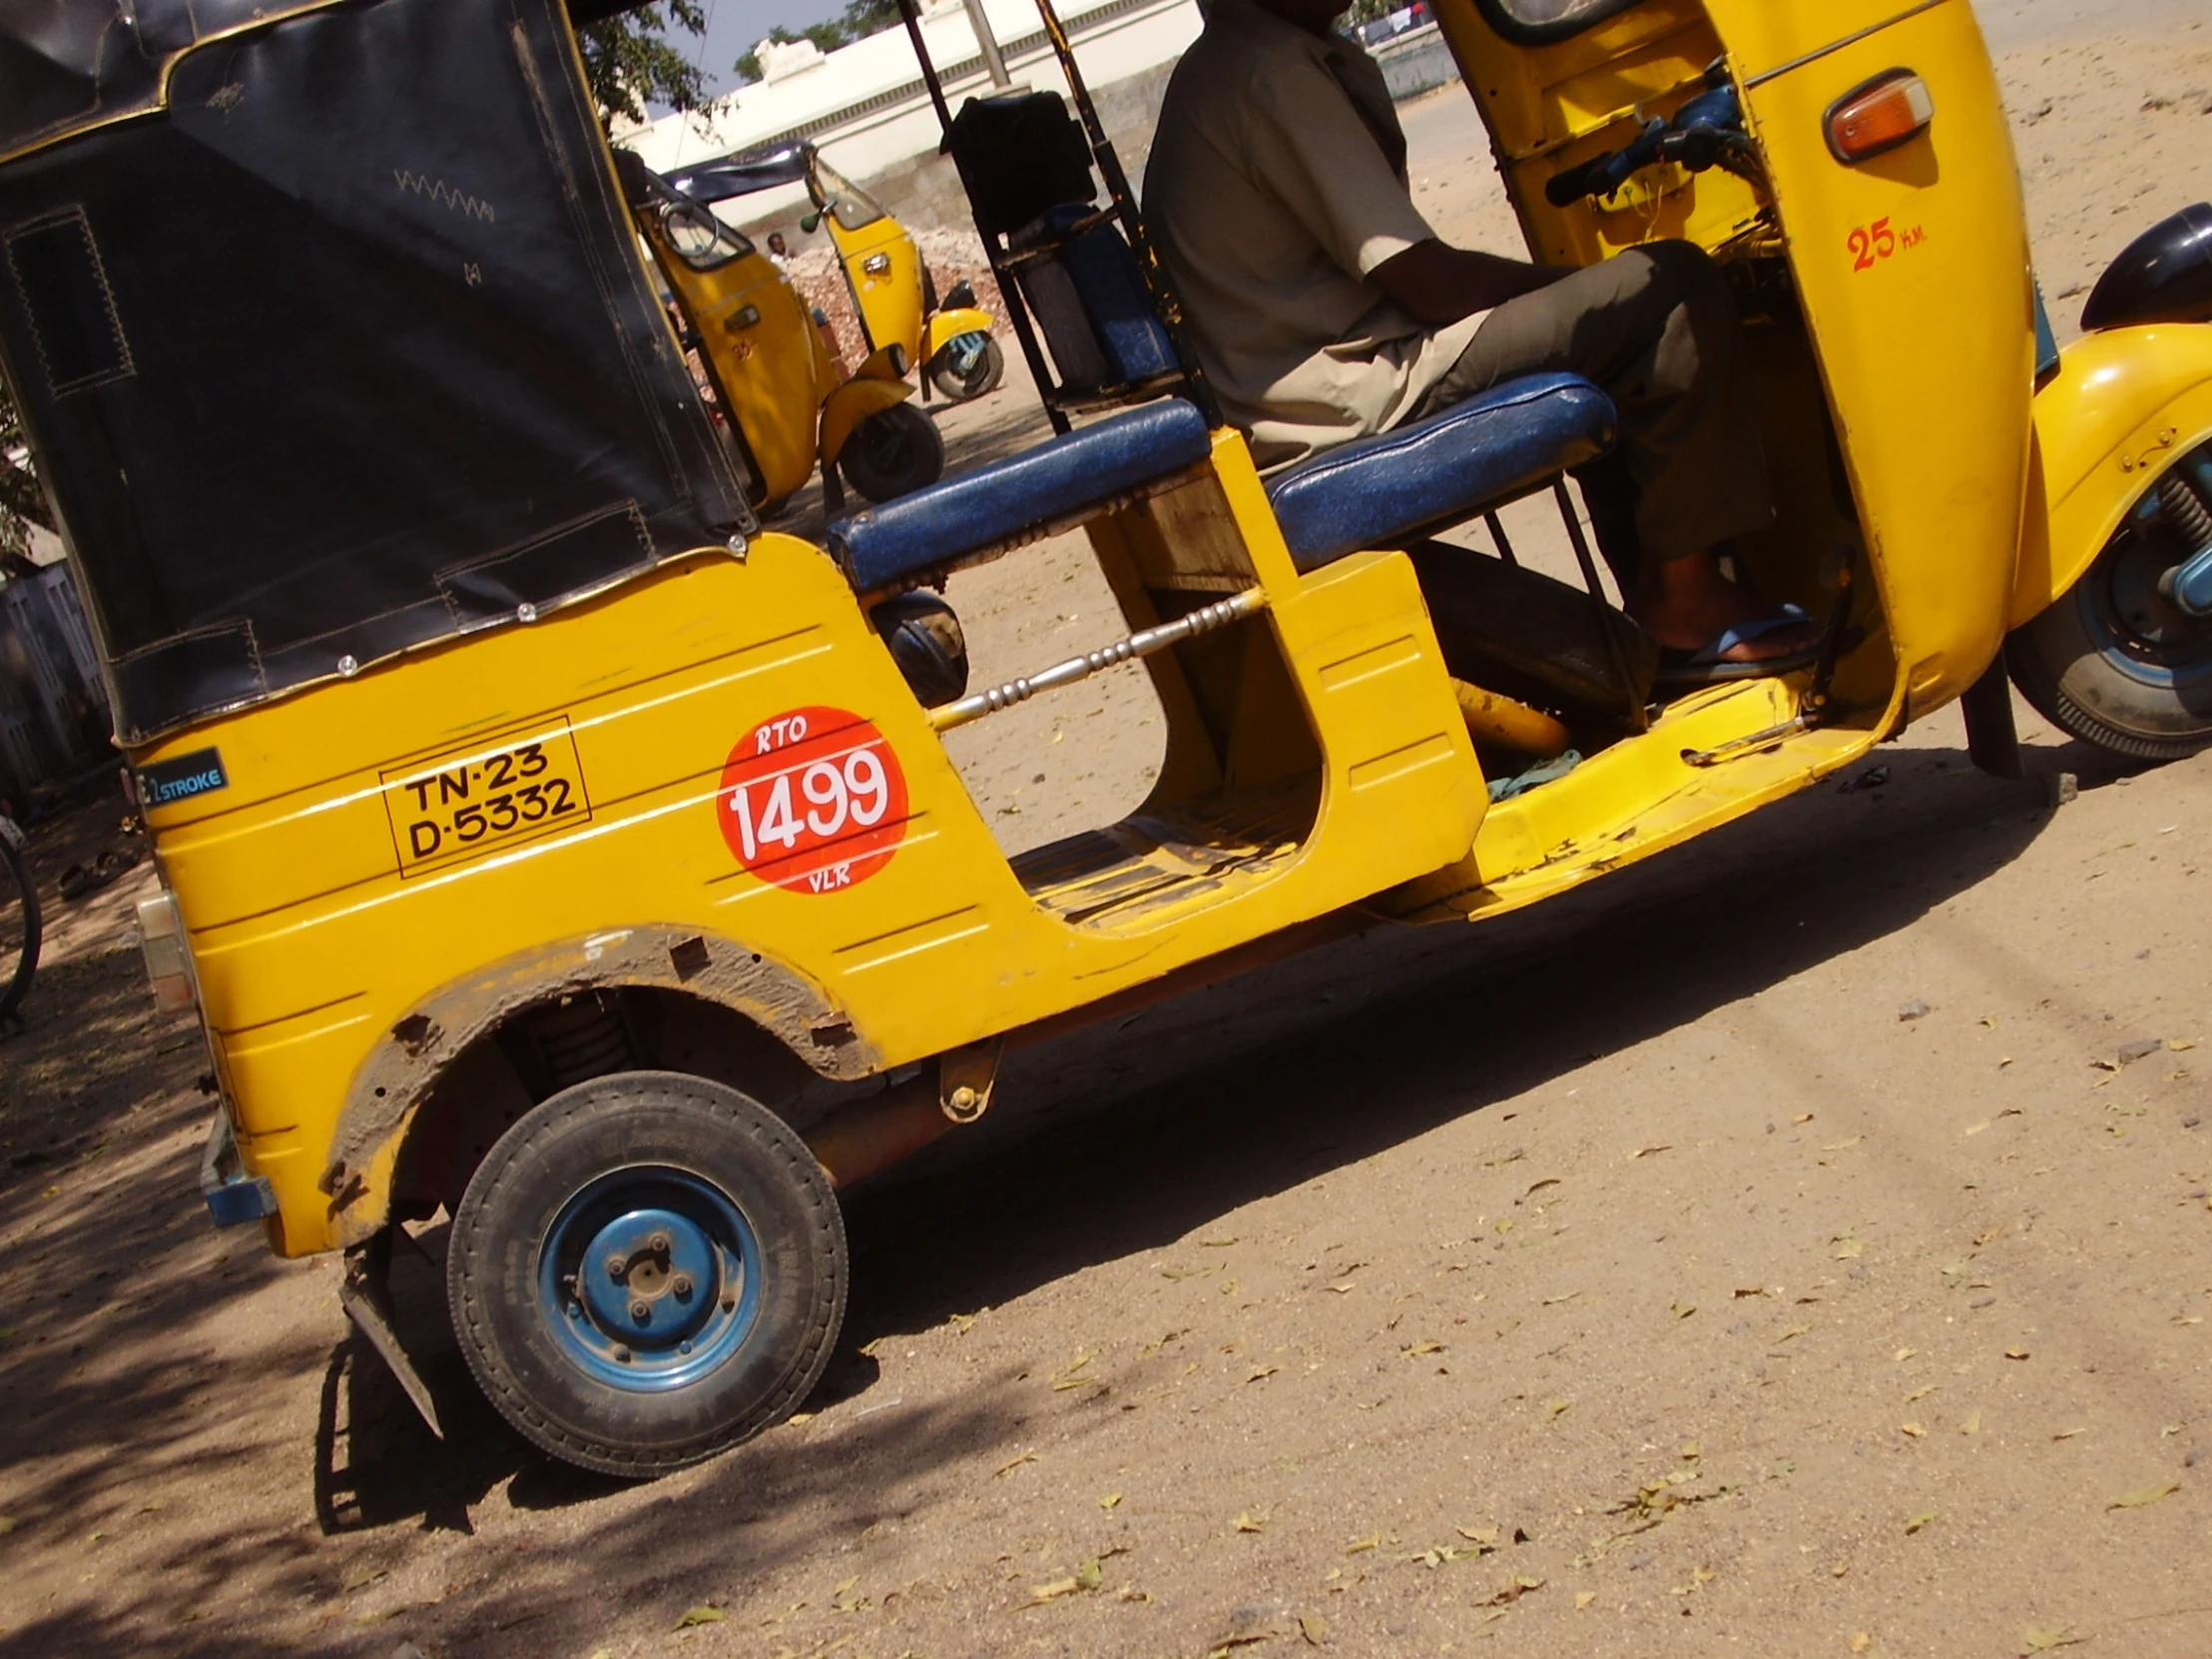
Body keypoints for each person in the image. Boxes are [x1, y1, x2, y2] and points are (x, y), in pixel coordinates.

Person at [1141, 0, 1816, 675]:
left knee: (1609, 325)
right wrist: (1574, 286)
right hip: (1349, 395)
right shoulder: (1271, 71)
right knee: (1670, 287)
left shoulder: (1238, 62)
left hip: (1317, 390)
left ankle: (1664, 606)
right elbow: (1425, 280)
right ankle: (1684, 600)